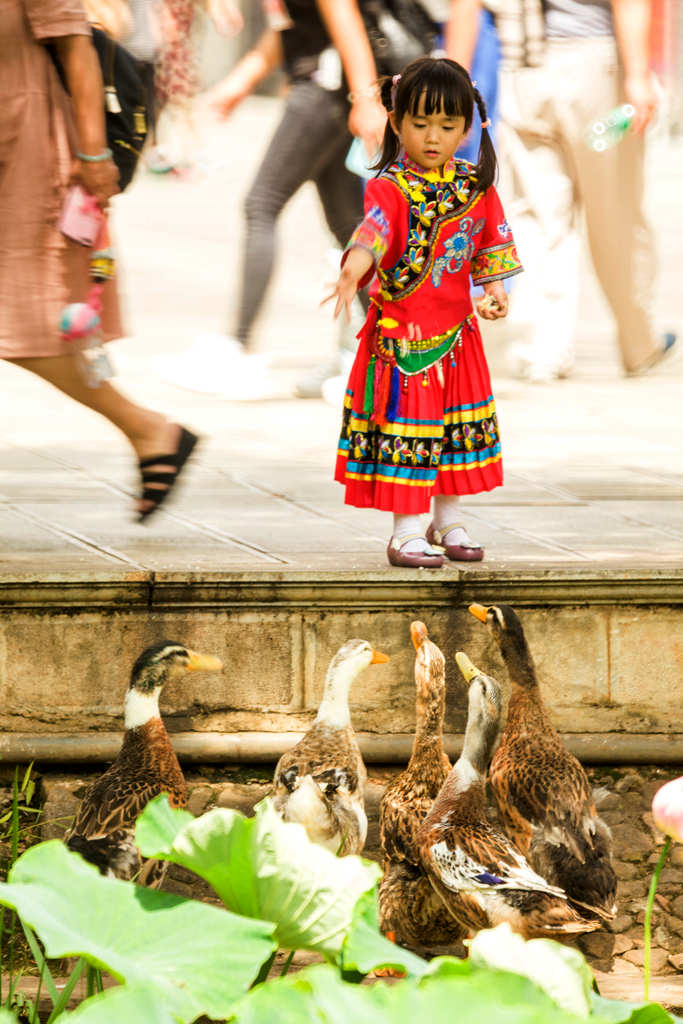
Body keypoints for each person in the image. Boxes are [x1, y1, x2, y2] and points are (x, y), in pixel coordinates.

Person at [0, 0, 198, 522]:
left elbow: (78, 47)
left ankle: (147, 428)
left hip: (26, 154)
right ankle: (147, 430)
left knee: (27, 319)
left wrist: (93, 158)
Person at [328, 57, 523, 568]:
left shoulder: (474, 187)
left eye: (446, 125)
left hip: (458, 336)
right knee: (407, 432)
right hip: (403, 340)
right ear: (396, 123)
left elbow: (487, 248)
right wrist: (355, 267)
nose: (432, 136)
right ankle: (405, 530)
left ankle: (447, 519)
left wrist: (495, 289)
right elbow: (374, 230)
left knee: (455, 431)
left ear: (466, 128)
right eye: (420, 124)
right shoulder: (389, 187)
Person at [158, 0, 387, 400]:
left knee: (261, 205)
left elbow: (344, 16)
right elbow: (290, 25)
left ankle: (238, 351)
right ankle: (384, 356)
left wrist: (368, 100)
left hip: (324, 87)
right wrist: (242, 81)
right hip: (329, 88)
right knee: (349, 225)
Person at [494, 0, 677, 382]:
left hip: (523, 64)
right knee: (614, 211)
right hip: (596, 67)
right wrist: (639, 76)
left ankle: (541, 350)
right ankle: (638, 342)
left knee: (537, 214)